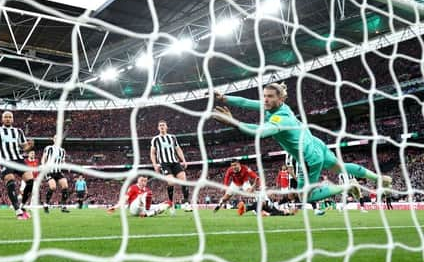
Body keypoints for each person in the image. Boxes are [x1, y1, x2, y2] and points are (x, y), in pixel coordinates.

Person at [212, 83, 392, 204]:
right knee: (340, 168)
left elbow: (261, 132)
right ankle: (380, 179)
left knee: (304, 196)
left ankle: (348, 186)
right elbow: (246, 102)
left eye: (269, 97)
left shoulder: (281, 118)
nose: (265, 100)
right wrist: (224, 98)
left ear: (280, 99)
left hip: (308, 157)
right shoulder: (278, 107)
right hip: (316, 143)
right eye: (264, 96)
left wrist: (235, 122)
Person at [0, 111, 34, 220]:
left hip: (18, 159)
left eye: (10, 117)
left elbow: (24, 147)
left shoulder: (18, 131)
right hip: (5, 160)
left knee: (31, 181)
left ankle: (22, 206)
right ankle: (17, 210)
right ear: (2, 119)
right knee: (10, 180)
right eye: (6, 117)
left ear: (13, 119)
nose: (8, 119)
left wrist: (30, 146)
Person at [150, 120, 192, 213]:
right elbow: (152, 153)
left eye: (163, 125)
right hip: (164, 163)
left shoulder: (172, 137)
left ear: (166, 127)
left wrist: (183, 160)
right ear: (158, 128)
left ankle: (186, 203)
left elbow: (178, 149)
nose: (162, 127)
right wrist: (155, 165)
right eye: (160, 125)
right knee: (171, 182)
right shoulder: (155, 139)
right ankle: (171, 203)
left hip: (175, 162)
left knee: (183, 179)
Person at [106, 176, 171, 217]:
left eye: (145, 181)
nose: (143, 182)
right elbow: (125, 198)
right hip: (134, 208)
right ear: (138, 181)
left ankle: (147, 214)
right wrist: (115, 206)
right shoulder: (133, 187)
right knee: (143, 195)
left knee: (168, 203)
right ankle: (149, 212)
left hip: (144, 208)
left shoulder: (147, 190)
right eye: (141, 180)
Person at [41, 135, 70, 213]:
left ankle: (63, 206)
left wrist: (67, 166)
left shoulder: (62, 151)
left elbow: (63, 161)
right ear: (53, 140)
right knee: (53, 187)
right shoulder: (48, 148)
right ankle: (46, 204)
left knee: (65, 186)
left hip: (58, 171)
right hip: (49, 171)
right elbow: (44, 158)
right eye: (56, 138)